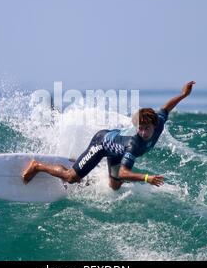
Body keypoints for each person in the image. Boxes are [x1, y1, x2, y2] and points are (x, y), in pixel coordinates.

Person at [22, 81, 196, 190]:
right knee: (71, 178)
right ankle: (37, 166)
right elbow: (124, 171)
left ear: (155, 125)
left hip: (116, 150)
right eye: (140, 128)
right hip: (101, 143)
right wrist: (146, 178)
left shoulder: (158, 121)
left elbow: (166, 107)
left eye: (146, 128)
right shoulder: (134, 144)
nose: (142, 132)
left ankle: (80, 166)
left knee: (114, 186)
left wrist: (184, 94)